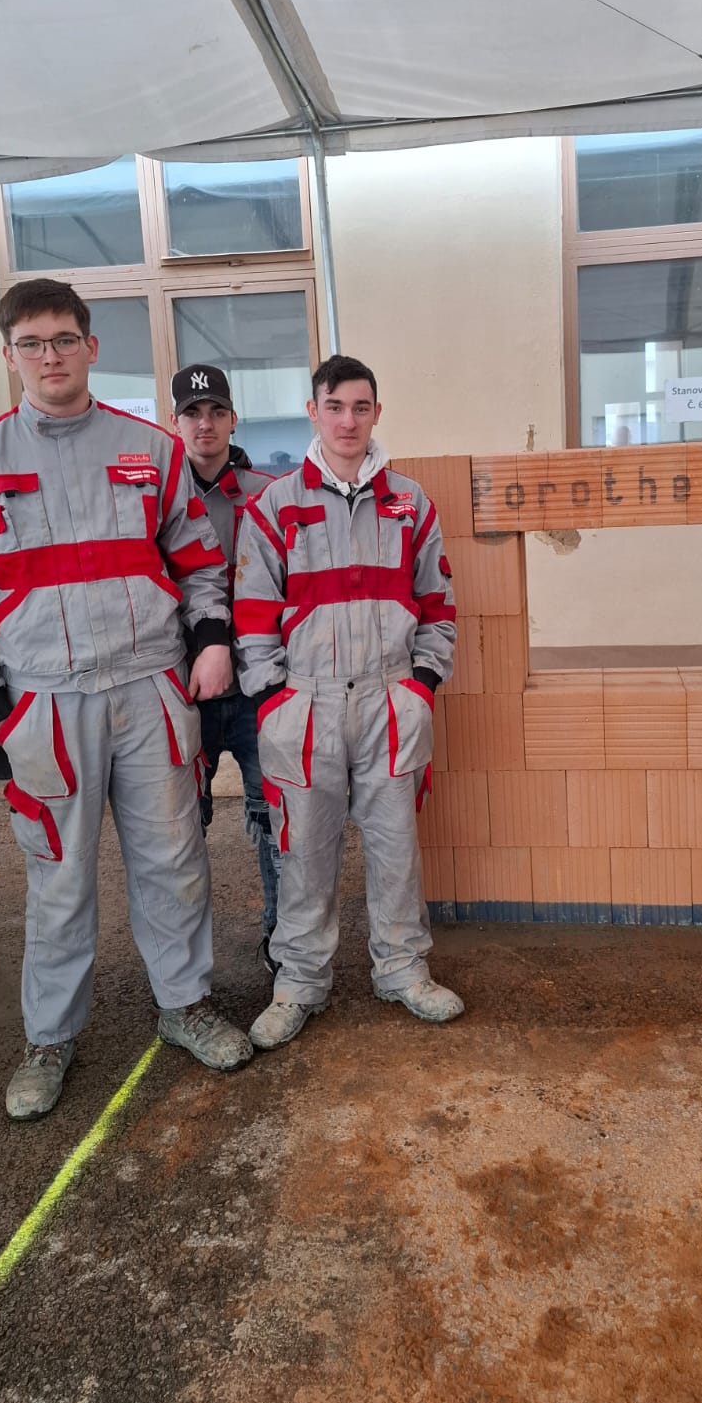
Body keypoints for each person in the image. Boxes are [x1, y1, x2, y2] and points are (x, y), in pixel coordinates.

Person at [0, 278, 253, 1121]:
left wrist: (213, 640)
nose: (51, 356)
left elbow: (199, 562)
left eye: (65, 339)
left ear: (92, 347)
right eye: (32, 344)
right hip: (46, 707)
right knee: (58, 879)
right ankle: (49, 1038)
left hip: (150, 692)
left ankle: (185, 1005)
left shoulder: (153, 451)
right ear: (10, 356)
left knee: (173, 861)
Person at [235, 354, 464, 1050]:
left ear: (376, 413)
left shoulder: (410, 502)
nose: (347, 421)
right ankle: (299, 984)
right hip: (306, 704)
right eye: (334, 407)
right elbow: (252, 613)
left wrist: (421, 686)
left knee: (396, 847)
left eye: (361, 407)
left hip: (391, 699)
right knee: (304, 851)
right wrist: (273, 699)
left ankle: (403, 970)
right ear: (313, 412)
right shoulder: (276, 506)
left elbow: (438, 605)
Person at [170, 363, 282, 968]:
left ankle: (282, 941)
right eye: (192, 413)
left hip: (261, 687)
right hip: (183, 690)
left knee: (277, 817)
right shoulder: (156, 500)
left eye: (216, 412)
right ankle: (186, 965)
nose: (205, 424)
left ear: (234, 419)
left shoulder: (270, 493)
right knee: (180, 826)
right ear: (175, 423)